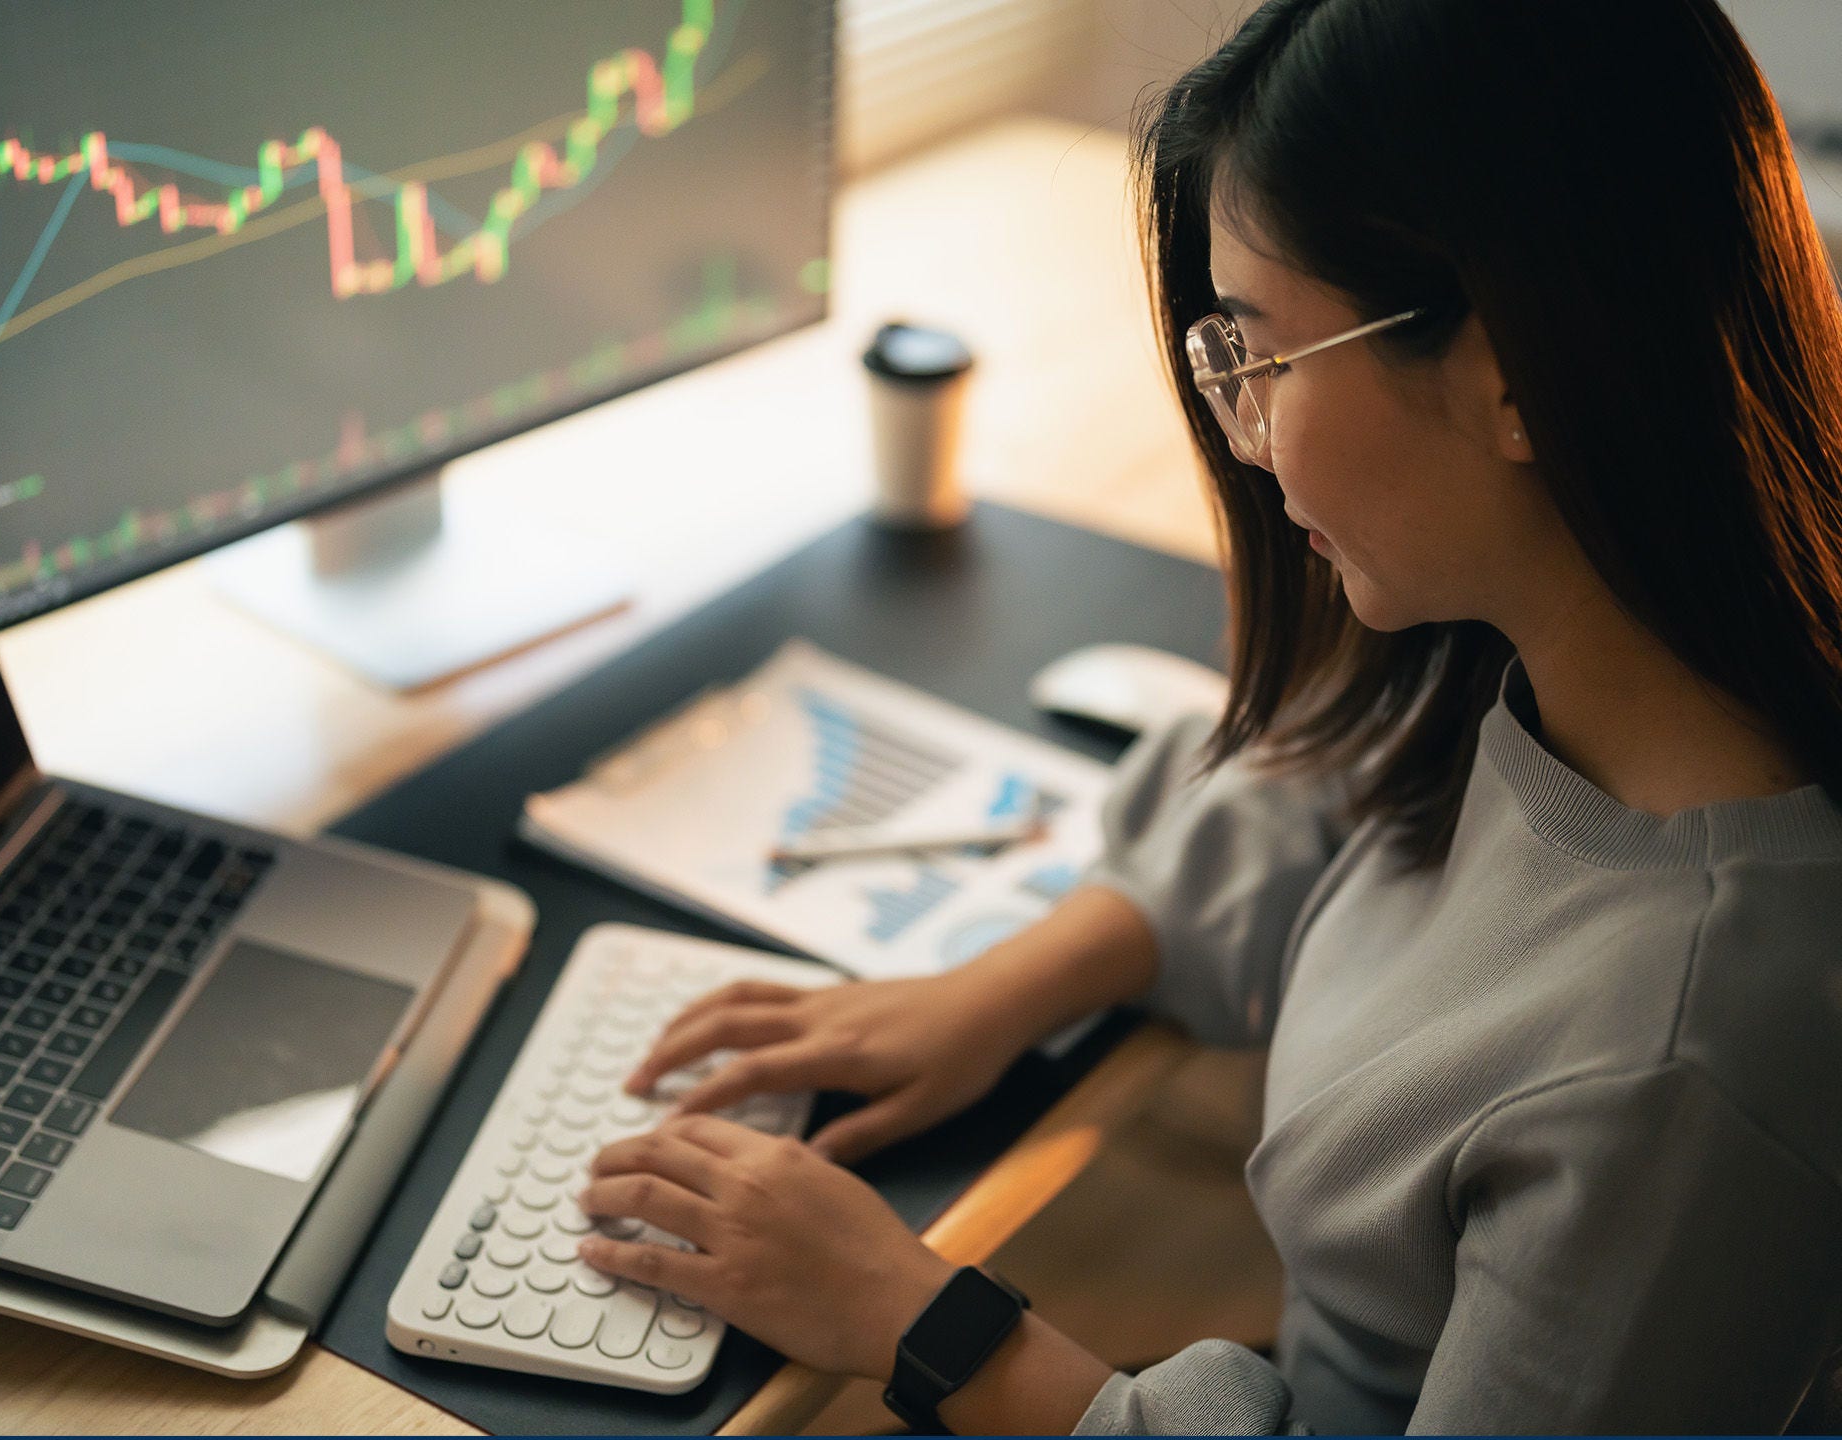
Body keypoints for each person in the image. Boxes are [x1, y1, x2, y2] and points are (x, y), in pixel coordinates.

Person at [572, 0, 1842, 1430]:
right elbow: (1344, 784)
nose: (1240, 430)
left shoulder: (1683, 1073)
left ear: (1513, 378)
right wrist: (1007, 988)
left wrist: (919, 1319)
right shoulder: (1584, 657)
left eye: (1258, 354)